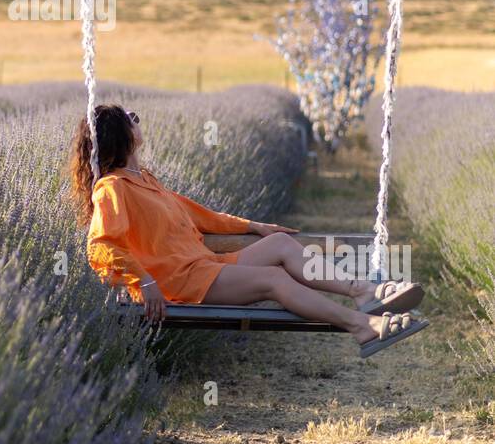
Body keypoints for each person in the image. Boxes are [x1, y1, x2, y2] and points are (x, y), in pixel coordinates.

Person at [70, 104, 426, 358]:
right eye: (130, 118)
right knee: (274, 280)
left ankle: (361, 290)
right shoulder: (112, 188)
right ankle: (361, 326)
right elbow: (100, 245)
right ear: (120, 136)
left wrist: (254, 227)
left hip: (203, 265)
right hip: (179, 283)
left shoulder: (143, 179)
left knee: (281, 244)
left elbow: (199, 216)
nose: (137, 119)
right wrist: (144, 281)